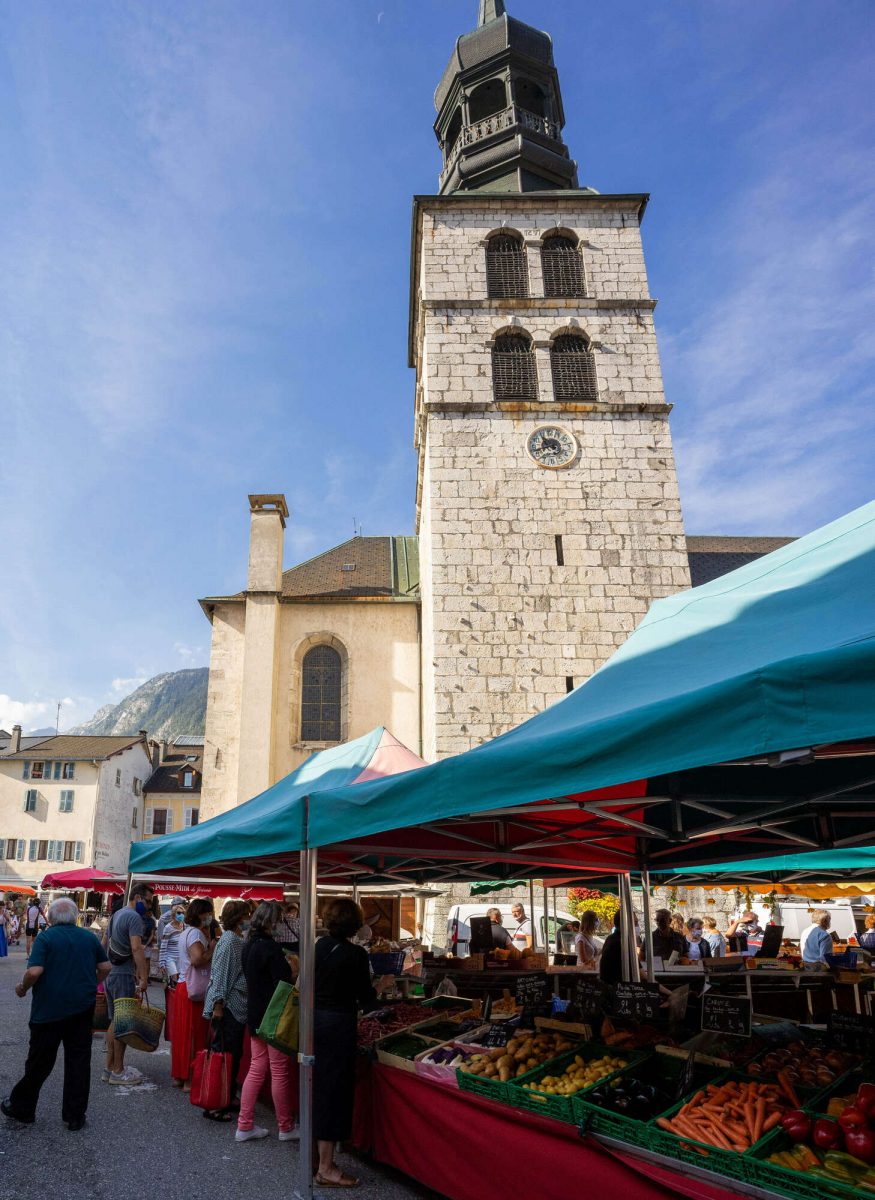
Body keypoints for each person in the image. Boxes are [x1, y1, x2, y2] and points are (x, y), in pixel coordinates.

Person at [2, 898, 110, 1130]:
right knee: (79, 1062)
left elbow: (35, 970)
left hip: (48, 1010)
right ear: (75, 916)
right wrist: (91, 984)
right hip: (82, 1008)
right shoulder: (89, 937)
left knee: (39, 1062)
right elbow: (105, 968)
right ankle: (74, 1116)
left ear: (50, 918)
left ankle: (23, 1108)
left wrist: (22, 987)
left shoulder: (46, 938)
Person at [313, 897, 378, 1188]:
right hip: (339, 1024)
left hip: (316, 1021)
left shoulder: (318, 947)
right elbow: (366, 998)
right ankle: (325, 1168)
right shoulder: (356, 955)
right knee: (334, 1093)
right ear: (354, 923)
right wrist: (382, 988)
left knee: (323, 1088)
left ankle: (321, 1159)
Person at [236, 900, 296, 1144]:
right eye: (281, 921)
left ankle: (244, 1124)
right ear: (273, 922)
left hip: (255, 1013)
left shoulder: (249, 945)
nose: (282, 925)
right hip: (273, 1016)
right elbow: (285, 980)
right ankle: (286, 1126)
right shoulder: (271, 948)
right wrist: (296, 967)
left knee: (256, 1068)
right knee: (279, 1072)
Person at [203, 900, 250, 1122]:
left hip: (234, 1007)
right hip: (229, 1007)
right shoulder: (231, 941)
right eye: (247, 915)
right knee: (224, 1057)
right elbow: (221, 974)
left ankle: (226, 1098)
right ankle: (215, 1104)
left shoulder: (233, 939)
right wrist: (218, 1005)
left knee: (230, 1056)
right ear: (240, 918)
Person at [103, 882, 154, 1086]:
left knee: (114, 1021)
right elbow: (136, 948)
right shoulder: (133, 917)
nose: (149, 906)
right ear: (138, 897)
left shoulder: (117, 914)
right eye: (148, 901)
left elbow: (104, 942)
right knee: (122, 1023)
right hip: (123, 974)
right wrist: (143, 977)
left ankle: (109, 1069)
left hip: (111, 973)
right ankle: (117, 1070)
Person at [171, 897, 216, 1089]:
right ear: (201, 914)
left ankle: (180, 1076)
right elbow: (198, 959)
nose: (210, 917)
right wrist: (212, 949)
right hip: (194, 988)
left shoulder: (186, 931)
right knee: (195, 1034)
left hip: (184, 986)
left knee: (182, 1034)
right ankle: (191, 1078)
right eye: (208, 913)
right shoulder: (196, 933)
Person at [159, 901, 187, 982]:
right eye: (179, 913)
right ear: (174, 915)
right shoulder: (168, 928)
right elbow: (163, 946)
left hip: (181, 958)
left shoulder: (185, 926)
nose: (181, 915)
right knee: (174, 979)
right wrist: (162, 963)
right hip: (170, 958)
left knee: (180, 980)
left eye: (183, 913)